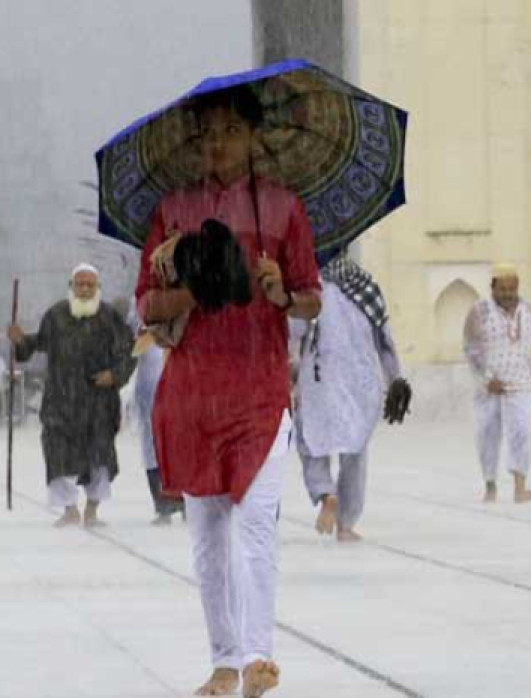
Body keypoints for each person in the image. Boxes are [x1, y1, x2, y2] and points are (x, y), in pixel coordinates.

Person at [136, 85, 321, 698]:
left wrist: (278, 292)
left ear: (252, 136)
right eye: (207, 132)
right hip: (192, 394)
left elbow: (310, 297)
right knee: (209, 535)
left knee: (256, 526)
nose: (217, 142)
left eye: (229, 131)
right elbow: (146, 304)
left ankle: (257, 657)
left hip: (260, 394)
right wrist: (197, 286)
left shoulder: (282, 208)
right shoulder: (173, 211)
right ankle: (221, 659)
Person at [7, 264, 135, 527]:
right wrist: (21, 341)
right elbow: (38, 343)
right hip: (60, 403)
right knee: (57, 454)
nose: (85, 289)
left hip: (98, 403)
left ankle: (92, 510)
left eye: (90, 285)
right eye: (80, 284)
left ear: (97, 288)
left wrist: (114, 375)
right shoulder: (55, 315)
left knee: (99, 459)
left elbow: (128, 353)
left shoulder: (110, 317)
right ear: (71, 286)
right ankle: (69, 509)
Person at [291, 254, 407, 542]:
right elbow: (385, 338)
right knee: (355, 451)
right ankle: (346, 524)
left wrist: (288, 375)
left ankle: (325, 492)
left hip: (319, 378)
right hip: (362, 382)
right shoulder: (364, 286)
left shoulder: (310, 289)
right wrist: (396, 378)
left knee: (311, 441)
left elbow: (294, 335)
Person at [463, 263, 531, 504]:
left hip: (521, 382)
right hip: (490, 385)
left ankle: (520, 487)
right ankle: (490, 485)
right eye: (503, 289)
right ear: (493, 288)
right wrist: (486, 379)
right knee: (487, 434)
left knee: (522, 431)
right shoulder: (479, 311)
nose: (508, 294)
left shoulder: (527, 309)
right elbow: (470, 349)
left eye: (512, 288)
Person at [126, 298, 184, 525]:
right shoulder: (143, 297)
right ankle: (164, 504)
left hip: (185, 380)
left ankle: (189, 500)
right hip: (151, 386)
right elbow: (133, 332)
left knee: (186, 442)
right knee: (153, 444)